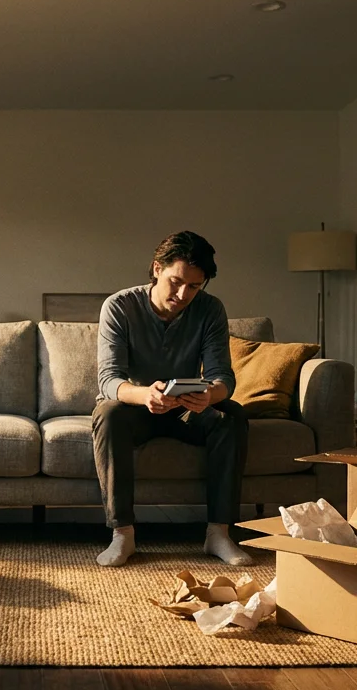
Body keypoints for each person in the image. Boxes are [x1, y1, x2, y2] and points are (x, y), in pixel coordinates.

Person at [93, 231, 252, 567]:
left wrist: (210, 396)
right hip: (135, 408)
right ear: (156, 268)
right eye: (176, 281)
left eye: (194, 287)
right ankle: (123, 535)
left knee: (231, 415)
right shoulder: (120, 306)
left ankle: (219, 534)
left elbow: (224, 377)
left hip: (185, 411)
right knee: (108, 415)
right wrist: (144, 394)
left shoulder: (210, 310)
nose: (182, 294)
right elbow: (109, 380)